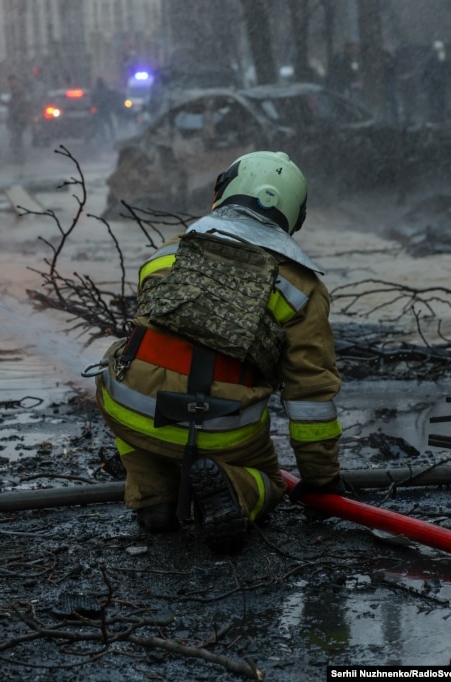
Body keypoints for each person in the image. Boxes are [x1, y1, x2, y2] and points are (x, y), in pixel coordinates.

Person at [93, 151, 344, 553]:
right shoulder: (302, 289)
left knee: (123, 361)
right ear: (295, 216)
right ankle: (237, 487)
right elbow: (310, 394)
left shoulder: (167, 253)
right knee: (272, 483)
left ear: (222, 193)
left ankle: (154, 496)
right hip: (223, 431)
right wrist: (322, 480)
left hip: (134, 412)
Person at [423, 40, 451, 122]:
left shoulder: (435, 56)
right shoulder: (442, 56)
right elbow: (448, 68)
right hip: (438, 80)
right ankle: (439, 114)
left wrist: (425, 77)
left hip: (435, 80)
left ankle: (437, 114)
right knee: (439, 97)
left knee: (436, 98)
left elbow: (426, 68)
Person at [5, 74, 31, 165]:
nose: (10, 83)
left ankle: (19, 159)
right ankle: (18, 158)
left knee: (16, 139)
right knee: (16, 139)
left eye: (12, 81)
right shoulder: (15, 91)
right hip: (16, 119)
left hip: (18, 119)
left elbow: (22, 103)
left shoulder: (19, 91)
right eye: (9, 82)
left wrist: (24, 114)